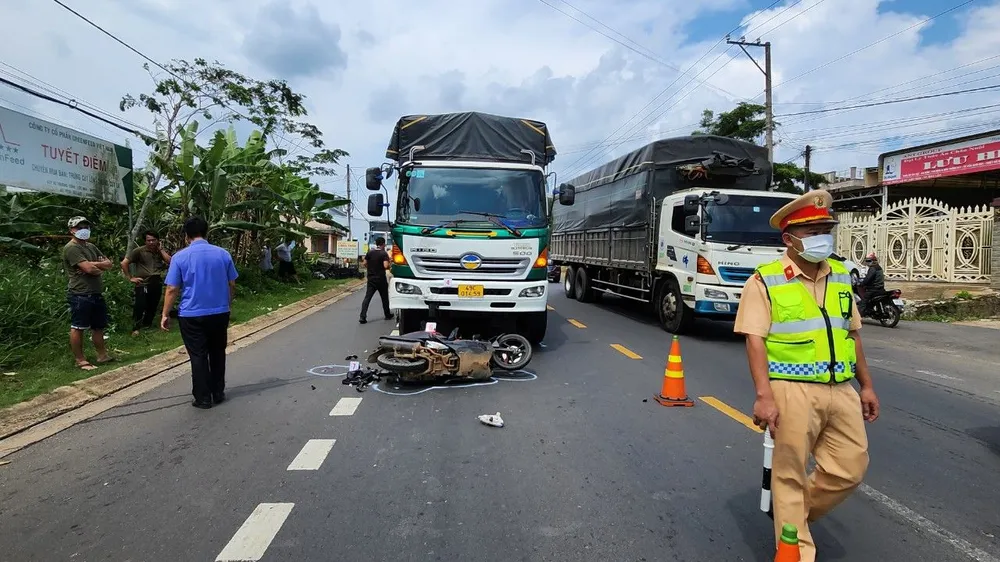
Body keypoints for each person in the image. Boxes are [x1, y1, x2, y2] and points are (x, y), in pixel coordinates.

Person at [733, 189, 880, 562]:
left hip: (841, 389)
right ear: (789, 239)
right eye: (813, 231)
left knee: (851, 468)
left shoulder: (841, 275)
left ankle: (792, 513)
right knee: (788, 475)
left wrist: (866, 385)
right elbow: (754, 339)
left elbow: (852, 334)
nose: (822, 238)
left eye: (826, 230)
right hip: (791, 390)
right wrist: (764, 396)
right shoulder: (765, 280)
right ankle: (795, 550)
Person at [161, 217, 239, 409]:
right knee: (217, 352)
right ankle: (218, 392)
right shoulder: (223, 254)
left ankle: (203, 398)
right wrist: (227, 304)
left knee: (198, 355)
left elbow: (172, 288)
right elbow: (232, 283)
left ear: (186, 235)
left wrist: (165, 313)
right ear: (206, 232)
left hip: (191, 314)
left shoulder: (180, 257)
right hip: (219, 312)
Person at [63, 216, 115, 371]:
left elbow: (109, 264)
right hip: (80, 294)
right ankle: (80, 360)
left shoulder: (91, 246)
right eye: (79, 227)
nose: (83, 230)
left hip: (96, 292)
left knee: (98, 326)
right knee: (78, 326)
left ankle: (102, 355)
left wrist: (92, 264)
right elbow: (90, 270)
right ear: (72, 230)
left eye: (86, 227)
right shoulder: (71, 248)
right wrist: (95, 266)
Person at [121, 231, 172, 336]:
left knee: (153, 305)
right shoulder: (139, 251)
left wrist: (161, 250)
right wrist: (130, 278)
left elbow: (171, 261)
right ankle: (135, 327)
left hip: (156, 281)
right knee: (140, 305)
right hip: (143, 283)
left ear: (158, 240)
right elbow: (124, 263)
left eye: (153, 240)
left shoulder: (159, 252)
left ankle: (147, 325)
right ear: (145, 241)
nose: (151, 242)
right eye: (149, 240)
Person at [359, 236, 393, 324]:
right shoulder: (384, 254)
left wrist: (370, 268)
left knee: (367, 298)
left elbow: (364, 263)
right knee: (384, 298)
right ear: (383, 244)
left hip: (371, 279)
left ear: (376, 244)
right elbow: (385, 266)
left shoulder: (370, 252)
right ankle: (387, 315)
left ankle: (362, 317)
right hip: (381, 279)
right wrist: (390, 263)